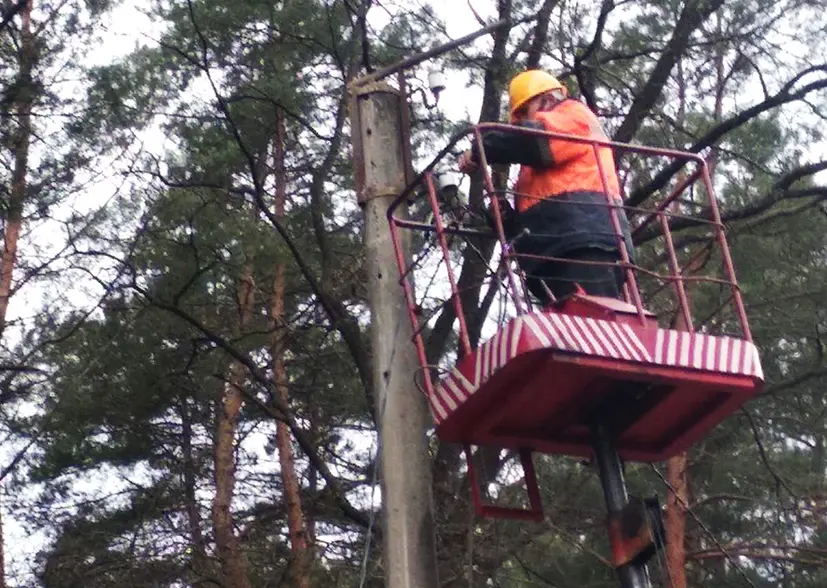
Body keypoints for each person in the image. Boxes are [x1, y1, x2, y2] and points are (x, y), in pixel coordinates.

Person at [458, 70, 635, 306]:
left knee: (593, 322)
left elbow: (533, 141)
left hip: (585, 242)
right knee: (571, 335)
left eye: (525, 112)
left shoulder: (573, 115)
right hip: (555, 250)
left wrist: (483, 146)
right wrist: (509, 221)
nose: (521, 122)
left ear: (549, 100)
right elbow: (542, 208)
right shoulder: (537, 168)